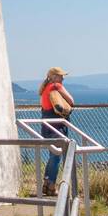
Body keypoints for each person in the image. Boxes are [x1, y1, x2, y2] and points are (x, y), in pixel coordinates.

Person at [38, 66, 75, 196]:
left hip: (46, 126)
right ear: (53, 77)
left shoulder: (44, 89)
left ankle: (46, 184)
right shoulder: (56, 86)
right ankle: (52, 186)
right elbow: (71, 100)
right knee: (56, 156)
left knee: (52, 156)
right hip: (57, 126)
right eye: (60, 76)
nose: (62, 78)